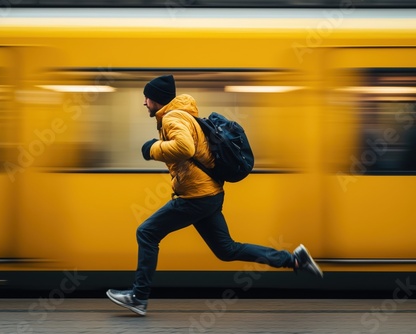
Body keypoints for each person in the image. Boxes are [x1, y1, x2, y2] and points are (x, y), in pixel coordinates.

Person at [106, 74, 323, 316]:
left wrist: (151, 149)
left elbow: (184, 148)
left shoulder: (173, 117)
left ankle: (138, 296)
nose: (144, 102)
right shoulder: (184, 115)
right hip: (210, 195)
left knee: (146, 232)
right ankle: (293, 260)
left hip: (196, 197)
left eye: (146, 97)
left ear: (157, 99)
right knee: (227, 250)